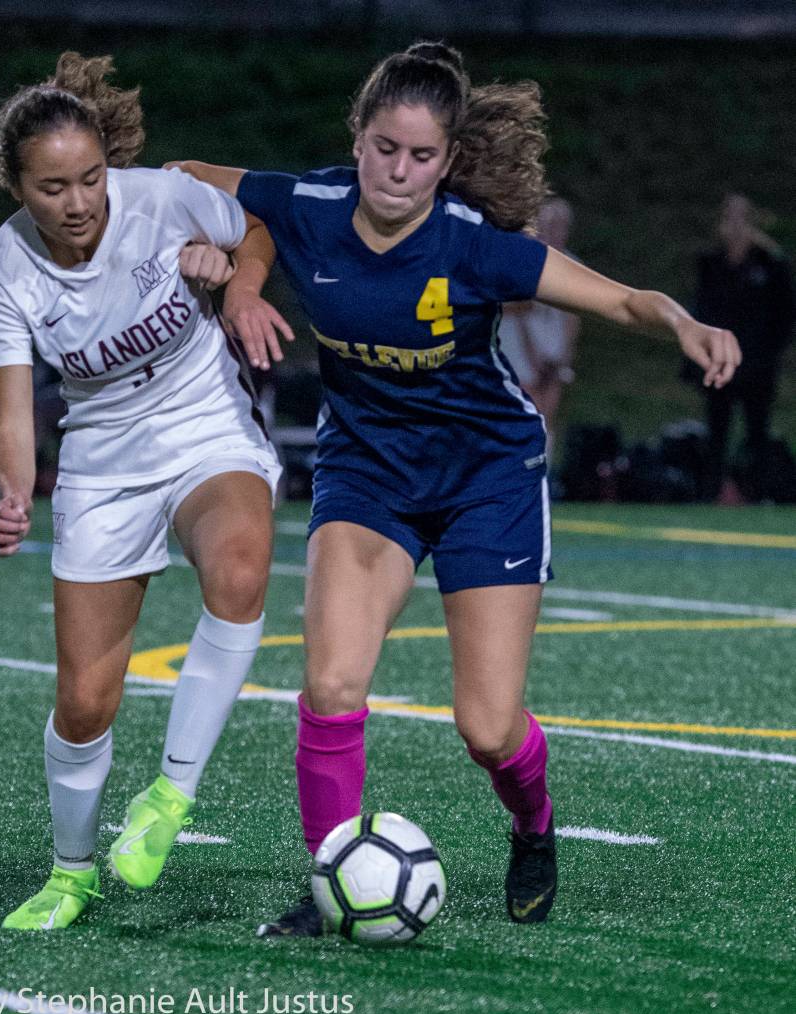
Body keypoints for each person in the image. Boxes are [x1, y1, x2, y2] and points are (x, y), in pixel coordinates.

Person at [173, 42, 741, 934]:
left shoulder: (474, 246)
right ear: (357, 140)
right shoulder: (313, 203)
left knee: (485, 725)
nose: (400, 172)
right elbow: (186, 180)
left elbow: (624, 299)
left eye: (423, 156)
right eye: (385, 149)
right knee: (330, 684)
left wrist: (685, 321)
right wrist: (241, 277)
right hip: (368, 476)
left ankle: (534, 824)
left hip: (487, 479)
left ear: (450, 161)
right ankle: (331, 886)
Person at [0, 51, 289, 930]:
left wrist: (240, 286)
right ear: (16, 187)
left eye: (89, 177)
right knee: (84, 701)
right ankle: (71, 872)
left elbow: (258, 226)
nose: (79, 203)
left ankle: (170, 798)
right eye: (52, 188)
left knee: (238, 569)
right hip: (103, 454)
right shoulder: (7, 271)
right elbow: (12, 413)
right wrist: (13, 489)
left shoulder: (160, 196)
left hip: (202, 420)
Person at [692, 193, 795, 500]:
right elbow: (701, 309)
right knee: (717, 429)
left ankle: (758, 491)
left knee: (757, 431)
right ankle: (712, 492)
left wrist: (770, 352)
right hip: (720, 361)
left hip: (757, 364)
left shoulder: (769, 263)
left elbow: (785, 313)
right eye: (730, 217)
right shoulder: (712, 262)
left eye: (742, 217)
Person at [500, 198, 580, 459]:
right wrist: (531, 353)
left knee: (548, 412)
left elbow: (572, 315)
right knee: (526, 409)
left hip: (551, 349)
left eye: (560, 225)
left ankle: (544, 475)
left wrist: (565, 354)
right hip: (520, 349)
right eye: (549, 224)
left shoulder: (571, 265)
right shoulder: (523, 261)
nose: (555, 231)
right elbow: (516, 309)